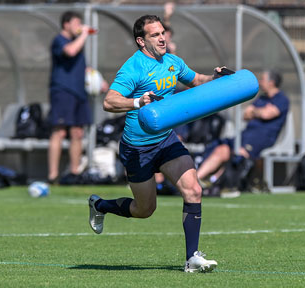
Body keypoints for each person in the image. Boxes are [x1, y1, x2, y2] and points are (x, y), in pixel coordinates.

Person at [88, 15, 223, 273]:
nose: (162, 38)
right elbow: (110, 101)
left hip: (166, 140)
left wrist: (215, 77)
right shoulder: (133, 67)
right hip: (137, 148)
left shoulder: (173, 61)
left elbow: (196, 81)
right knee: (144, 209)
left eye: (163, 33)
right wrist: (138, 102)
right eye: (155, 35)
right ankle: (100, 205)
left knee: (194, 189)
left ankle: (192, 258)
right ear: (141, 41)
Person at [196, 69, 290, 188]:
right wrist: (260, 111)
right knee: (222, 148)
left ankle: (220, 183)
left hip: (263, 138)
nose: (260, 82)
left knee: (239, 153)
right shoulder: (262, 99)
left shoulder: (281, 99)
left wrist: (256, 112)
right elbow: (246, 115)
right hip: (246, 135)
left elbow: (267, 114)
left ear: (271, 82)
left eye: (263, 79)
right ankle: (197, 180)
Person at [48, 11, 108, 184]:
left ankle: (74, 173)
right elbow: (71, 51)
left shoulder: (77, 43)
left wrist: (99, 81)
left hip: (79, 92)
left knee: (77, 132)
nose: (79, 26)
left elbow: (82, 67)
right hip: (63, 91)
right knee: (59, 131)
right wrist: (83, 35)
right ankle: (53, 175)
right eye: (76, 23)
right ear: (66, 24)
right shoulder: (60, 40)